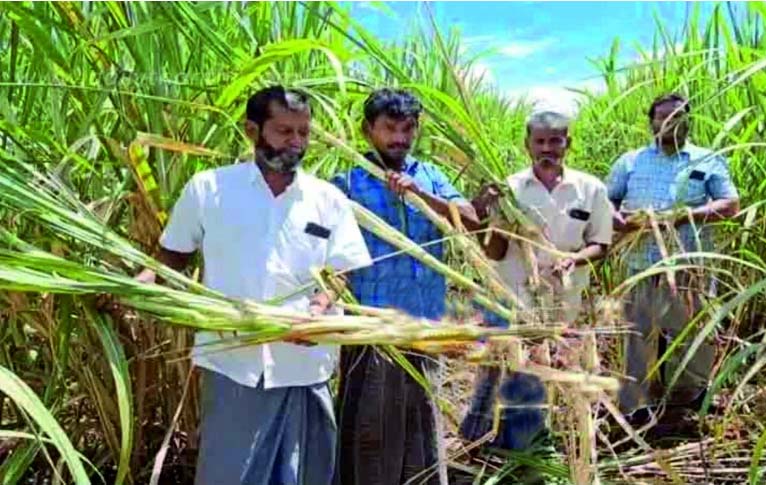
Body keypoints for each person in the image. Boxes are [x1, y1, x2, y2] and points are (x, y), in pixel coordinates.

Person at [121, 86, 372, 484]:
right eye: (284, 131)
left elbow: (341, 269)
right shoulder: (209, 190)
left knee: (303, 475)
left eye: (303, 133)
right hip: (233, 362)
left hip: (304, 365)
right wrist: (131, 288)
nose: (296, 143)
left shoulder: (327, 199)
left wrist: (319, 312)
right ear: (252, 130)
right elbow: (172, 259)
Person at [331, 88, 480, 485]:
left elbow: (468, 217)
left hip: (426, 319)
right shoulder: (347, 182)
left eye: (407, 129)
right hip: (372, 323)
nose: (399, 138)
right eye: (389, 129)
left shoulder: (429, 175)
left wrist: (418, 195)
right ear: (368, 131)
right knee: (371, 419)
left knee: (422, 414)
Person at [462, 110, 613, 449]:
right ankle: (488, 443)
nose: (548, 148)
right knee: (501, 372)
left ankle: (524, 446)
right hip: (512, 297)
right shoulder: (510, 189)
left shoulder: (590, 189)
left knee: (541, 374)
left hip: (561, 302)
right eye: (540, 141)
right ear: (527, 144)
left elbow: (600, 243)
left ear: (567, 143)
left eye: (555, 140)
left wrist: (574, 258)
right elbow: (496, 253)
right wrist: (492, 219)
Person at [606, 93, 740, 418]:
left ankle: (690, 396)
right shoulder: (631, 161)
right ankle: (638, 402)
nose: (669, 123)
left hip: (688, 265)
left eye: (677, 116)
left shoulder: (707, 159)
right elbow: (606, 201)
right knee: (638, 332)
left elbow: (730, 204)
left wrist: (683, 216)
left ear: (688, 120)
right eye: (662, 117)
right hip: (640, 264)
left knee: (690, 331)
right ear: (651, 122)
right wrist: (617, 219)